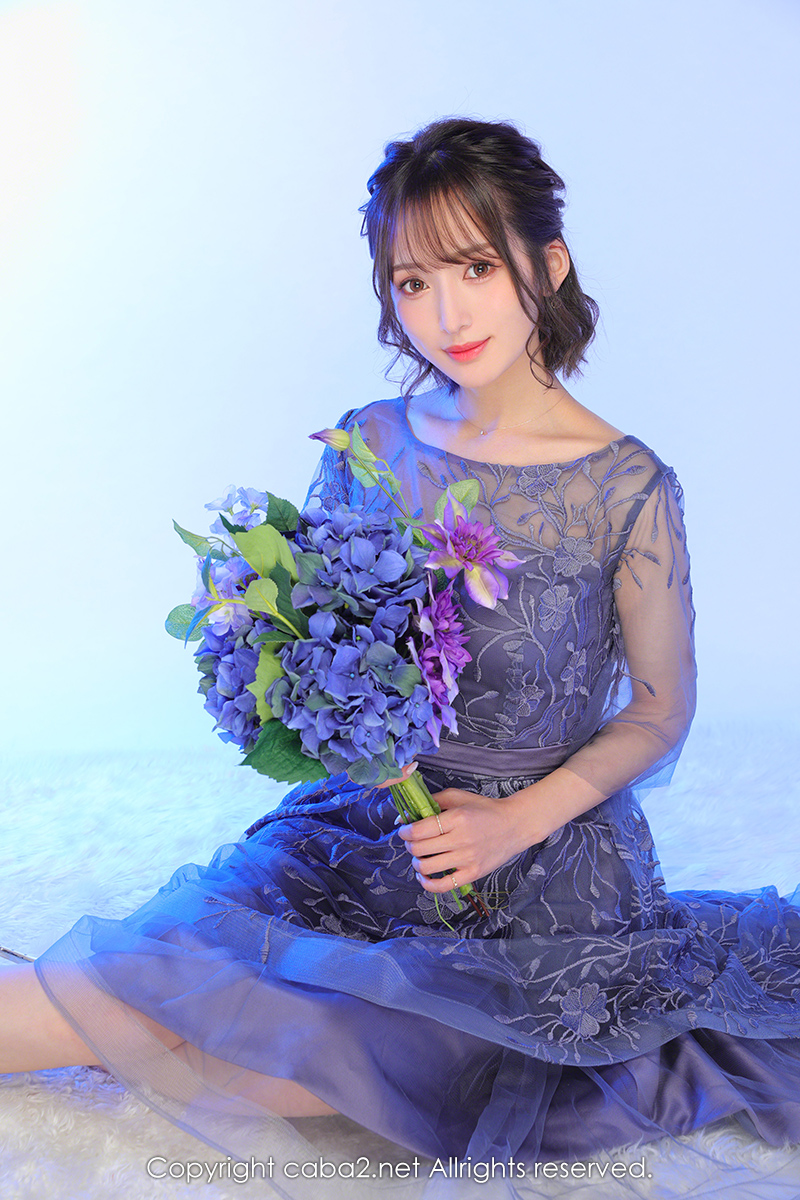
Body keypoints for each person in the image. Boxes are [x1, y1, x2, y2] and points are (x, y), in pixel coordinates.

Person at [2, 116, 799, 1190]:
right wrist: (314, 710)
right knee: (166, 979)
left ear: (548, 263)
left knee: (361, 1063)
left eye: (475, 268)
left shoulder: (625, 486)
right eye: (413, 283)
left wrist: (513, 821)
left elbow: (661, 707)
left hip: (543, 863)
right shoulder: (372, 443)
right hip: (366, 825)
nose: (446, 314)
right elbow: (317, 634)